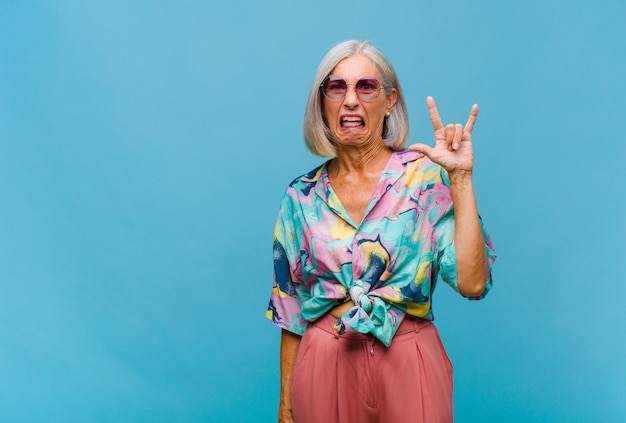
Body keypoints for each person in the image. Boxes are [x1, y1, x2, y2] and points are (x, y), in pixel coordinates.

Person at [265, 39, 496, 423]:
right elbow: (290, 312)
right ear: (322, 102)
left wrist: (460, 178)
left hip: (409, 359)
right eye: (337, 87)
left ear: (390, 101)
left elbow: (472, 283)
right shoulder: (300, 197)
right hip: (325, 361)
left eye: (366, 86)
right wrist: (286, 406)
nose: (351, 100)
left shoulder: (424, 178)